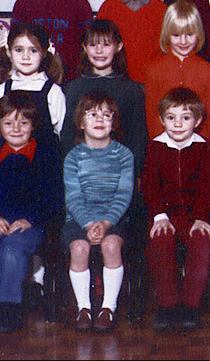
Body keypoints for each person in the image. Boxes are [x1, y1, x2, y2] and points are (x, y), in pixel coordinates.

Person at [0, 91, 63, 334]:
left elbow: (54, 197)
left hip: (30, 224)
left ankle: (10, 306)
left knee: (13, 248)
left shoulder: (46, 158)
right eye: (8, 123)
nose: (16, 129)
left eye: (23, 123)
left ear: (33, 124)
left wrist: (31, 219)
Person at [142, 87, 210, 330]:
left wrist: (200, 217)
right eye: (171, 118)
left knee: (203, 244)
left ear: (198, 120)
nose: (178, 124)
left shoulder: (204, 148)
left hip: (194, 217)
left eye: (185, 118)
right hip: (165, 215)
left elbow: (207, 186)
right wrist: (159, 217)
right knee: (161, 243)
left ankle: (190, 306)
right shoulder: (154, 148)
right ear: (162, 119)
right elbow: (150, 186)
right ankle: (168, 305)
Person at [62, 91, 135, 332]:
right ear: (81, 123)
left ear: (114, 122)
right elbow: (73, 197)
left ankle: (108, 308)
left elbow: (123, 195)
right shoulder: (73, 157)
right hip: (80, 219)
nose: (99, 119)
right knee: (80, 247)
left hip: (114, 218)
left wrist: (105, 223)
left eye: (106, 114)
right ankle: (84, 307)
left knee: (111, 246)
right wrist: (87, 224)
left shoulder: (124, 155)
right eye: (92, 114)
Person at [61, 19, 148, 180]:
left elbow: (138, 138)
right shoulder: (74, 87)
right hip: (82, 172)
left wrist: (129, 173)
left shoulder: (132, 89)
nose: (99, 51)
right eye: (93, 45)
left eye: (106, 44)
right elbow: (68, 135)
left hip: (120, 173)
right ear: (84, 48)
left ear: (118, 47)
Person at [143, 0, 210, 143]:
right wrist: (160, 143)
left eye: (189, 34)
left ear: (198, 33)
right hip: (164, 145)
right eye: (176, 35)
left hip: (200, 146)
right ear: (167, 35)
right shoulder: (153, 70)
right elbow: (152, 115)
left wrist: (202, 144)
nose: (183, 41)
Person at [0, 22, 66, 154]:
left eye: (33, 50)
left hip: (44, 163)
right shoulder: (2, 89)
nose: (25, 56)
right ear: (9, 52)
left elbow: (62, 132)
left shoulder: (53, 91)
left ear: (44, 53)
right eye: (19, 50)